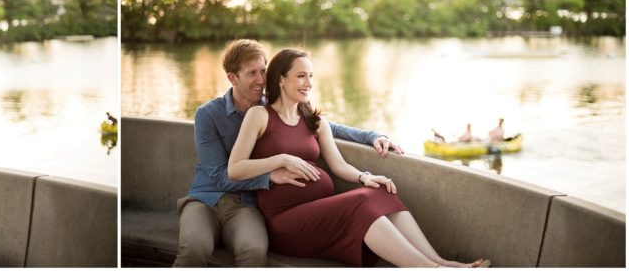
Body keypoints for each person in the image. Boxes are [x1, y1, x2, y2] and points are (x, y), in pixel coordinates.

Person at [228, 48, 489, 267]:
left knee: (380, 191)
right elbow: (235, 169)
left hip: (321, 215)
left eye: (310, 76)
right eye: (300, 76)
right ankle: (430, 269)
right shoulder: (259, 116)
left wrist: (365, 176)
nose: (308, 83)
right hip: (285, 225)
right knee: (361, 201)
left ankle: (441, 263)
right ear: (281, 80)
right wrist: (281, 159)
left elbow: (339, 165)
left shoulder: (315, 121)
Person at [173, 39, 402, 268]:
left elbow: (322, 125)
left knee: (253, 252)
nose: (261, 80)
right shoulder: (208, 114)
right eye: (252, 73)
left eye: (263, 70)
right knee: (195, 249)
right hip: (206, 199)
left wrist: (372, 136)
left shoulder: (272, 107)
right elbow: (220, 175)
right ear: (232, 78)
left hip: (247, 205)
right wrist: (269, 175)